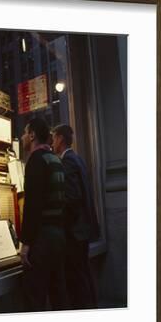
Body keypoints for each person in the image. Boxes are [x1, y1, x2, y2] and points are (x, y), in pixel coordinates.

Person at [20, 118, 68, 311]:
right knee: (58, 293)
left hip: (42, 239)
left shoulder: (36, 160)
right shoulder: (56, 159)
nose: (22, 137)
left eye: (25, 133)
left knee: (36, 297)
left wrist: (25, 244)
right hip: (58, 235)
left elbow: (33, 205)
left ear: (32, 135)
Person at [51, 124, 98, 309]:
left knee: (77, 281)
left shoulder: (67, 161)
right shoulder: (78, 159)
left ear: (60, 139)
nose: (52, 142)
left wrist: (59, 223)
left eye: (54, 138)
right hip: (83, 230)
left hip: (74, 232)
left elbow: (72, 198)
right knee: (84, 276)